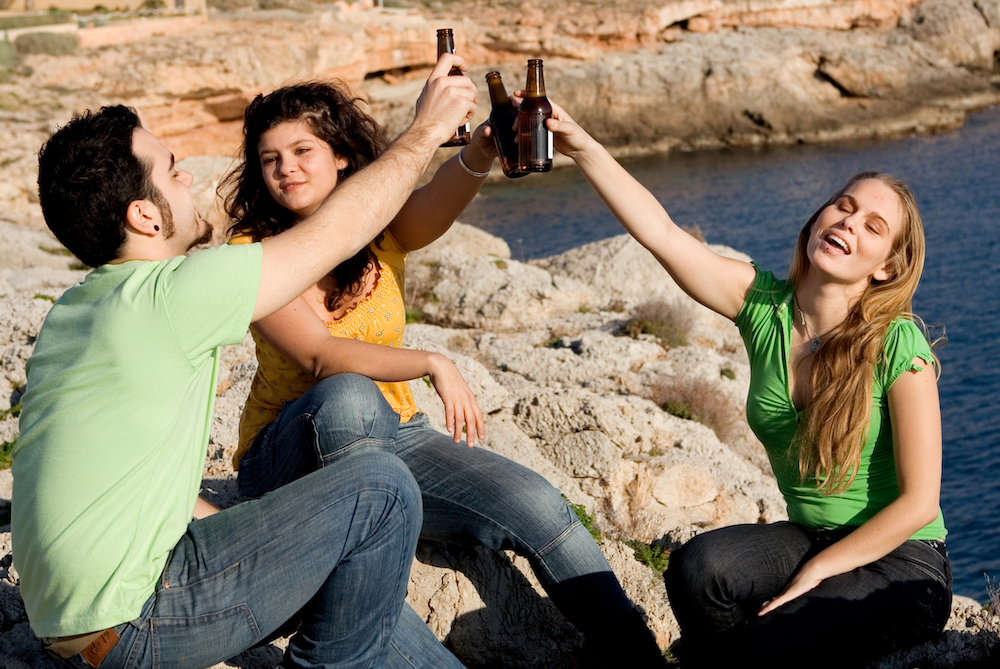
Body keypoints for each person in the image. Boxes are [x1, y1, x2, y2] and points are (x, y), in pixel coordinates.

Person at [13, 54, 481, 669]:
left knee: (339, 565)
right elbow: (339, 231)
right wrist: (423, 134)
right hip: (134, 622)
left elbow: (125, 478)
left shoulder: (79, 311)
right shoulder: (174, 295)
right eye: (175, 173)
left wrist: (246, 523)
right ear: (145, 215)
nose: (190, 181)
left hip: (80, 623)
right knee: (383, 489)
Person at [219, 81, 666, 667]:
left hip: (394, 435)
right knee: (349, 395)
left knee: (536, 503)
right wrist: (431, 362)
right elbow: (319, 356)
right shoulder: (252, 251)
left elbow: (435, 203)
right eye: (271, 159)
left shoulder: (381, 228)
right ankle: (362, 558)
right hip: (285, 461)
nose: (286, 169)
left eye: (303, 152)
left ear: (342, 155)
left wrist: (481, 149)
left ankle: (638, 658)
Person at [544, 102, 952, 668]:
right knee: (699, 570)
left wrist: (817, 572)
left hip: (904, 564)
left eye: (871, 227)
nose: (847, 224)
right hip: (812, 536)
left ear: (885, 266)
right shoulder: (763, 306)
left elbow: (918, 503)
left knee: (767, 644)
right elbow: (661, 234)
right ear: (818, 216)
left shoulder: (898, 345)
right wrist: (582, 146)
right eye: (843, 206)